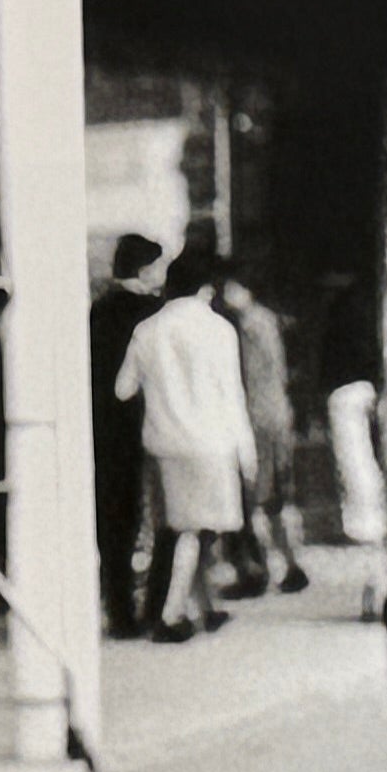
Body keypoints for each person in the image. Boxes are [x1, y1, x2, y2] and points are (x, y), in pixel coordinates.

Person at [114, 244, 254, 643]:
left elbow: (123, 389)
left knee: (184, 527)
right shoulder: (219, 330)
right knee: (197, 530)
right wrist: (247, 450)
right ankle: (172, 613)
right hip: (212, 441)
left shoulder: (147, 330)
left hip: (163, 445)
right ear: (206, 289)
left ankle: (205, 606)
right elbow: (232, 393)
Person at [215, 269, 308, 597]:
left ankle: (264, 569)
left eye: (230, 287)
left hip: (260, 417)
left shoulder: (251, 326)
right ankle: (289, 564)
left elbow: (253, 377)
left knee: (258, 497)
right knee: (274, 497)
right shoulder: (268, 321)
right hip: (276, 413)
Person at [90, 234, 165, 634]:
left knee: (112, 523)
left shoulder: (97, 311)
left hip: (103, 429)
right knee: (149, 517)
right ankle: (156, 606)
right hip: (146, 426)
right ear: (145, 269)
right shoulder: (152, 313)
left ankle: (118, 609)